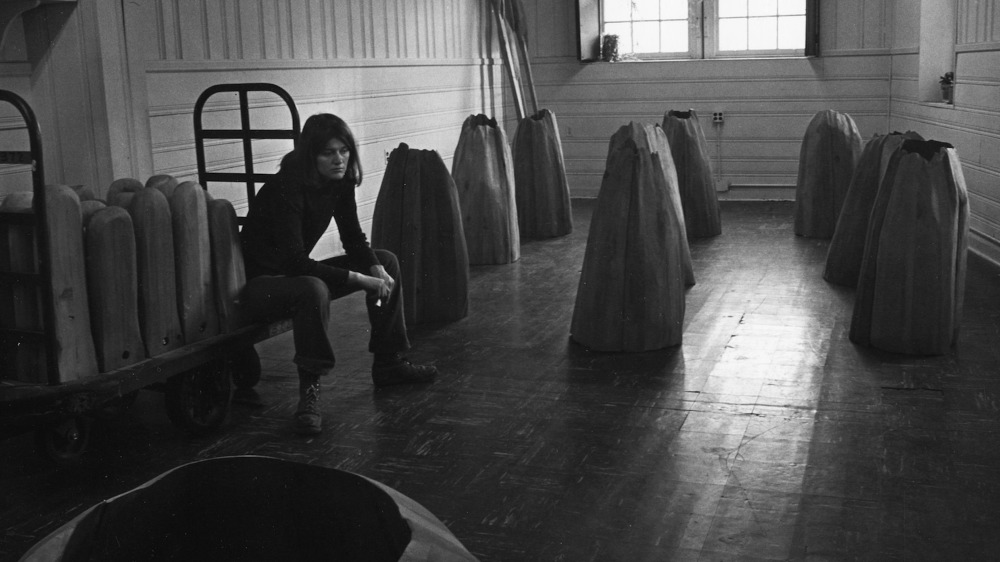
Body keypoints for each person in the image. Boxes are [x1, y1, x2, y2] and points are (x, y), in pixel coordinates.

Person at [239, 113, 437, 435]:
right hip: (261, 286)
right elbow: (295, 263)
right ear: (311, 155)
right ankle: (310, 392)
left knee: (386, 262)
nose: (339, 159)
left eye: (344, 151)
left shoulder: (338, 182)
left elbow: (353, 239)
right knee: (313, 288)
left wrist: (373, 268)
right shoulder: (286, 187)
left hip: (294, 276)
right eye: (328, 153)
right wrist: (359, 279)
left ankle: (389, 363)